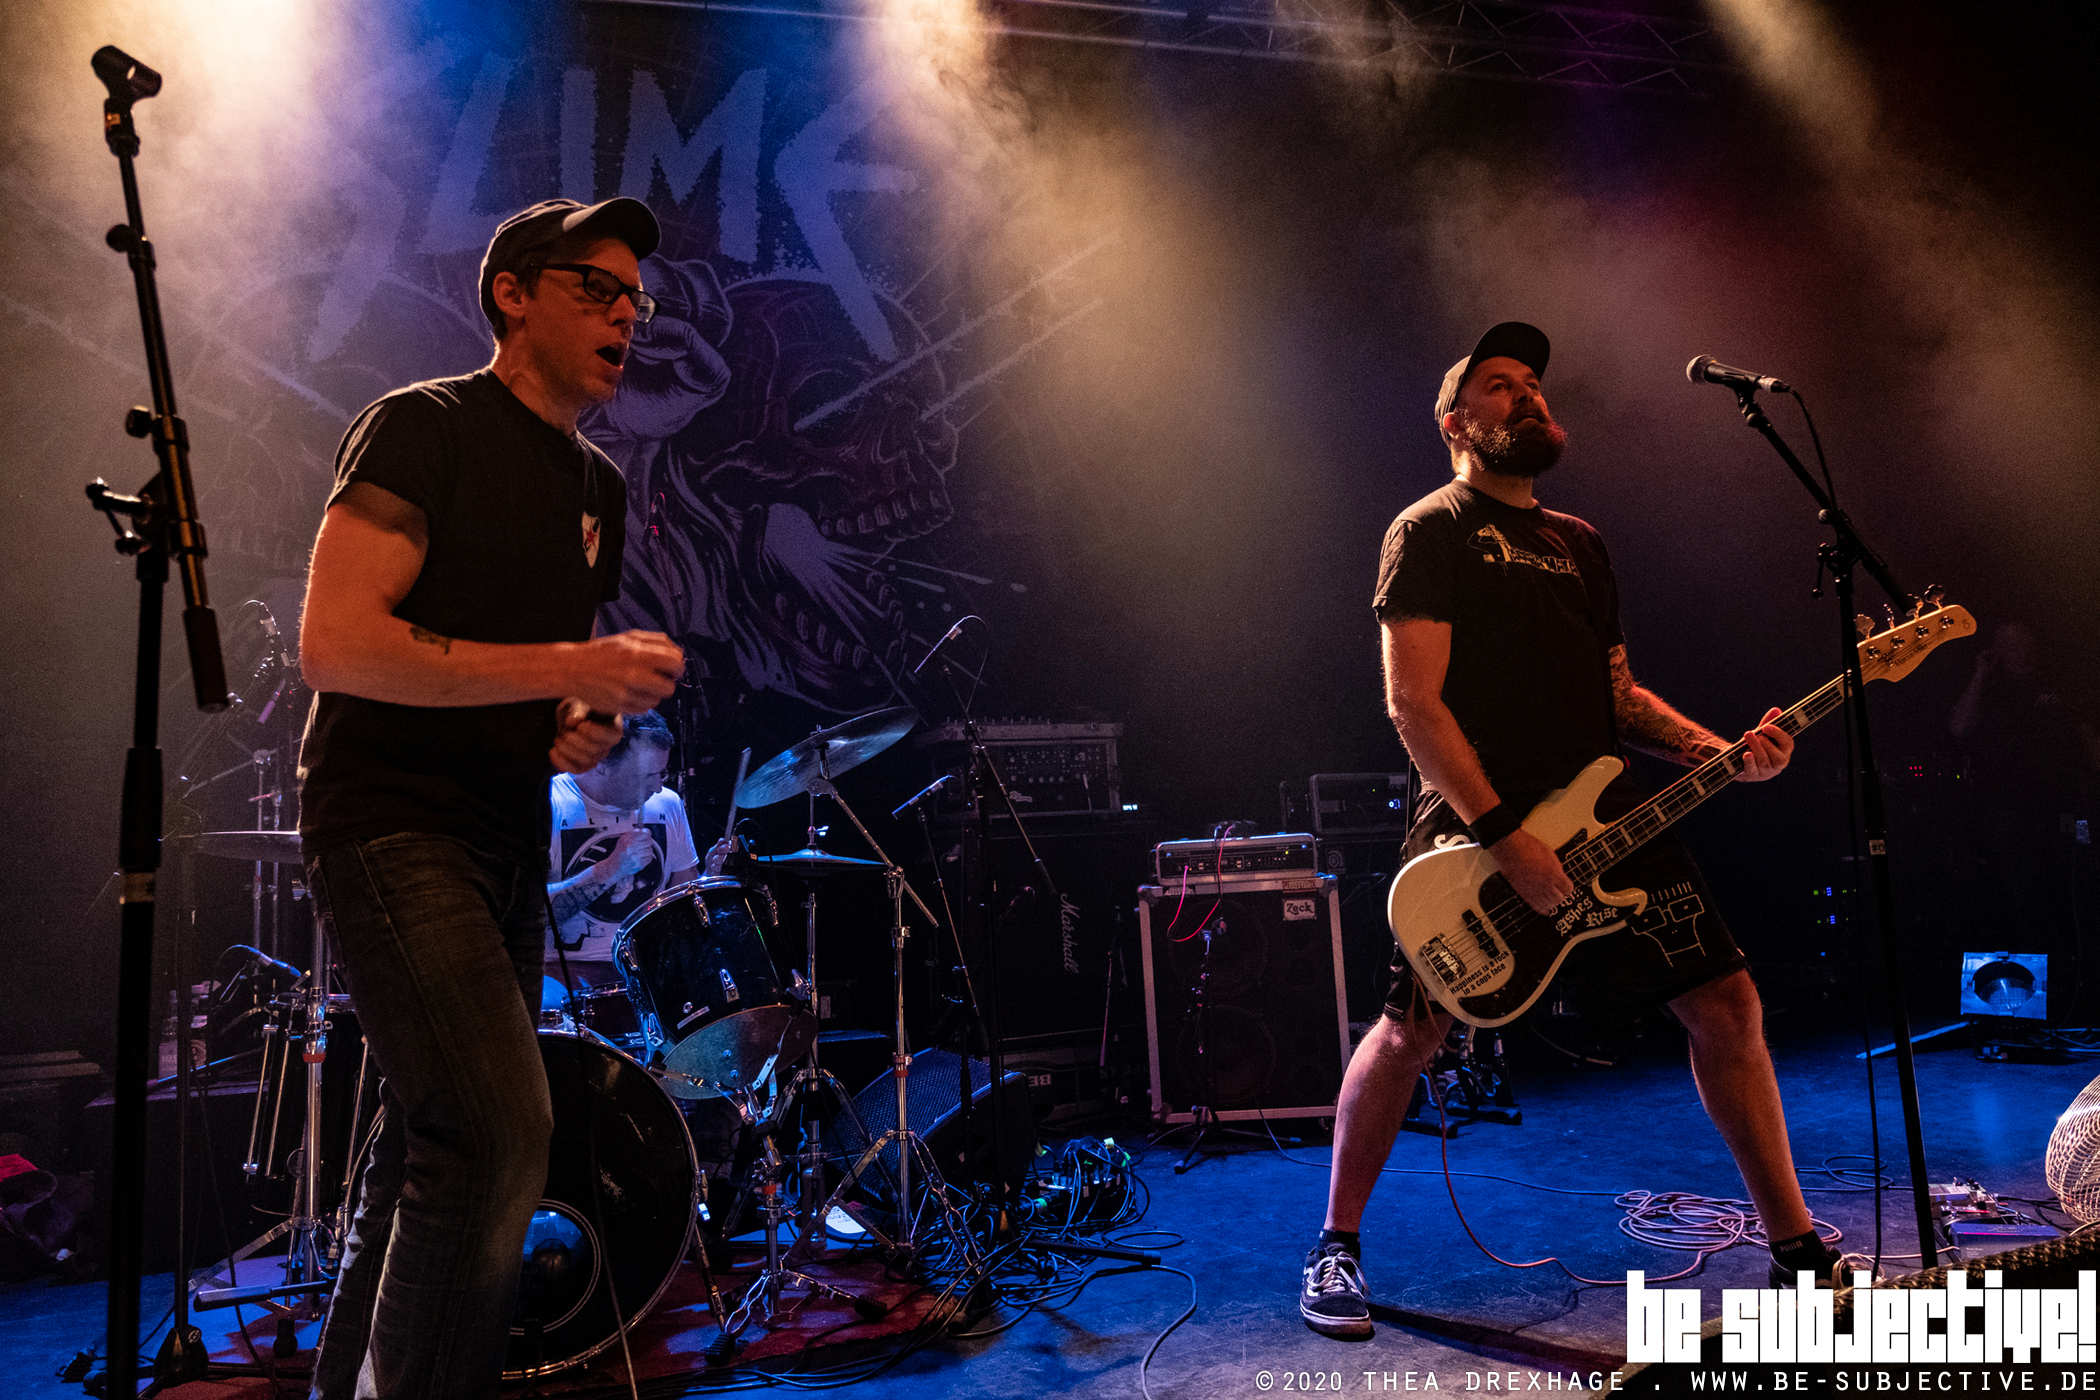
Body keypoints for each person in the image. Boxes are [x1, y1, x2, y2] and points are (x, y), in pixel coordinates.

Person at [1299, 322, 1838, 1340]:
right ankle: (1336, 1243)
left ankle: (1797, 1249)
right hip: (1475, 829)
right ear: (1456, 423)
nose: (1529, 395)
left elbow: (1619, 697)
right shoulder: (1430, 529)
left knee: (1727, 1002)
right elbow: (1413, 704)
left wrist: (1723, 751)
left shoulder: (1580, 543)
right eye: (1501, 385)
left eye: (1534, 383)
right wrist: (1507, 838)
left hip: (1607, 813)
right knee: (1414, 1028)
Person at [296, 196, 686, 1398]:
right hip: (393, 820)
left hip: (505, 838)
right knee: (497, 1133)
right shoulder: (424, 425)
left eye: (635, 298)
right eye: (595, 287)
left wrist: (575, 723)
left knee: (427, 1149)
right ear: (512, 293)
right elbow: (336, 642)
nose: (625, 315)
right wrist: (570, 664)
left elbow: (523, 690)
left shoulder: (596, 486)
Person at [545, 707, 700, 996]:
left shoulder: (667, 804)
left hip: (650, 974)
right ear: (600, 762)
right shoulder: (551, 804)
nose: (657, 787)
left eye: (662, 773)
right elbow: (527, 914)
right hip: (562, 976)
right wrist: (610, 869)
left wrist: (709, 887)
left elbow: (683, 904)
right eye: (645, 776)